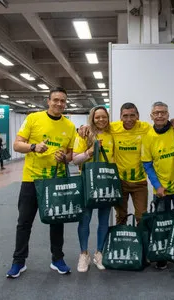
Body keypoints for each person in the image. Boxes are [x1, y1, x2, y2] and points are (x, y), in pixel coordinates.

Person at [6, 87, 77, 279]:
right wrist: (34, 147)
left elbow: (71, 155)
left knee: (57, 222)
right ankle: (18, 262)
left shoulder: (69, 126)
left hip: (56, 180)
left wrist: (65, 157)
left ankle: (57, 259)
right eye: (56, 100)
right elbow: (16, 144)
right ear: (48, 101)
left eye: (63, 101)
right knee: (24, 222)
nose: (59, 104)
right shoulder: (33, 118)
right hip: (32, 180)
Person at [141, 101, 174, 270]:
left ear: (168, 114)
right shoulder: (148, 137)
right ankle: (162, 255)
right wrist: (158, 186)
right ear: (151, 116)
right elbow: (147, 165)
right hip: (161, 190)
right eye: (156, 113)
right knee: (161, 223)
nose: (160, 115)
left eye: (163, 112)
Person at [72, 106, 113, 272]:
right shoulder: (84, 134)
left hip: (106, 182)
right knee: (85, 219)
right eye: (97, 117)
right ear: (92, 119)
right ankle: (84, 254)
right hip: (87, 182)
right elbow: (75, 160)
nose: (101, 120)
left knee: (104, 220)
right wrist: (89, 152)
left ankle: (99, 253)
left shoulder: (113, 134)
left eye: (104, 117)